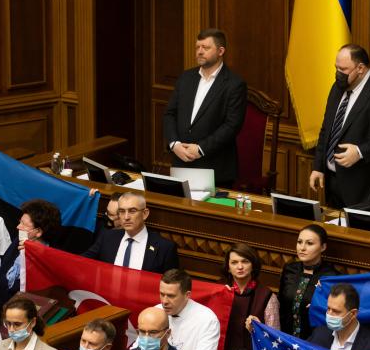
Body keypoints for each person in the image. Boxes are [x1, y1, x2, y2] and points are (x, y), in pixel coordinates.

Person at [309, 44, 370, 210]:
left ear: (360, 68)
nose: (338, 74)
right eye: (336, 68)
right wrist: (319, 167)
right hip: (335, 183)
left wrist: (361, 152)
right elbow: (327, 129)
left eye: (343, 69)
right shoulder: (337, 88)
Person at [162, 28, 247, 187]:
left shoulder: (234, 84)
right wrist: (174, 144)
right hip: (181, 162)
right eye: (197, 47)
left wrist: (201, 149)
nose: (200, 52)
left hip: (214, 167)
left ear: (221, 51)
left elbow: (232, 125)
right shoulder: (186, 77)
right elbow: (169, 114)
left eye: (205, 48)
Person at [82, 192, 179, 272]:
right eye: (122, 211)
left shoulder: (165, 248)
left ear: (145, 214)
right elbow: (80, 262)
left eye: (132, 211)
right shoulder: (107, 237)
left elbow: (172, 285)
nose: (126, 217)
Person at [155, 269, 220, 350]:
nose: (164, 301)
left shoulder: (207, 319)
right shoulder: (156, 312)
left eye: (171, 296)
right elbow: (139, 349)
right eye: (162, 294)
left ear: (187, 295)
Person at [0, 199, 62, 302]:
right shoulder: (18, 241)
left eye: (23, 224)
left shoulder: (49, 261)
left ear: (38, 232)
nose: (18, 227)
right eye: (20, 222)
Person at [278, 224, 337, 339]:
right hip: (285, 337)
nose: (302, 248)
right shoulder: (289, 269)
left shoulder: (331, 276)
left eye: (309, 243)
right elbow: (281, 304)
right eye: (299, 242)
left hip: (313, 340)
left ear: (323, 247)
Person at [308, 283, 370, 350]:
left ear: (353, 314)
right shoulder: (318, 334)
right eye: (328, 309)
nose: (329, 314)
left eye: (336, 311)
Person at [222, 243, 279, 350]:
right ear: (228, 268)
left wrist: (258, 329)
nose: (240, 267)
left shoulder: (267, 296)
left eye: (245, 261)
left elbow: (274, 339)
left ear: (253, 265)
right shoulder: (219, 290)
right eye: (234, 262)